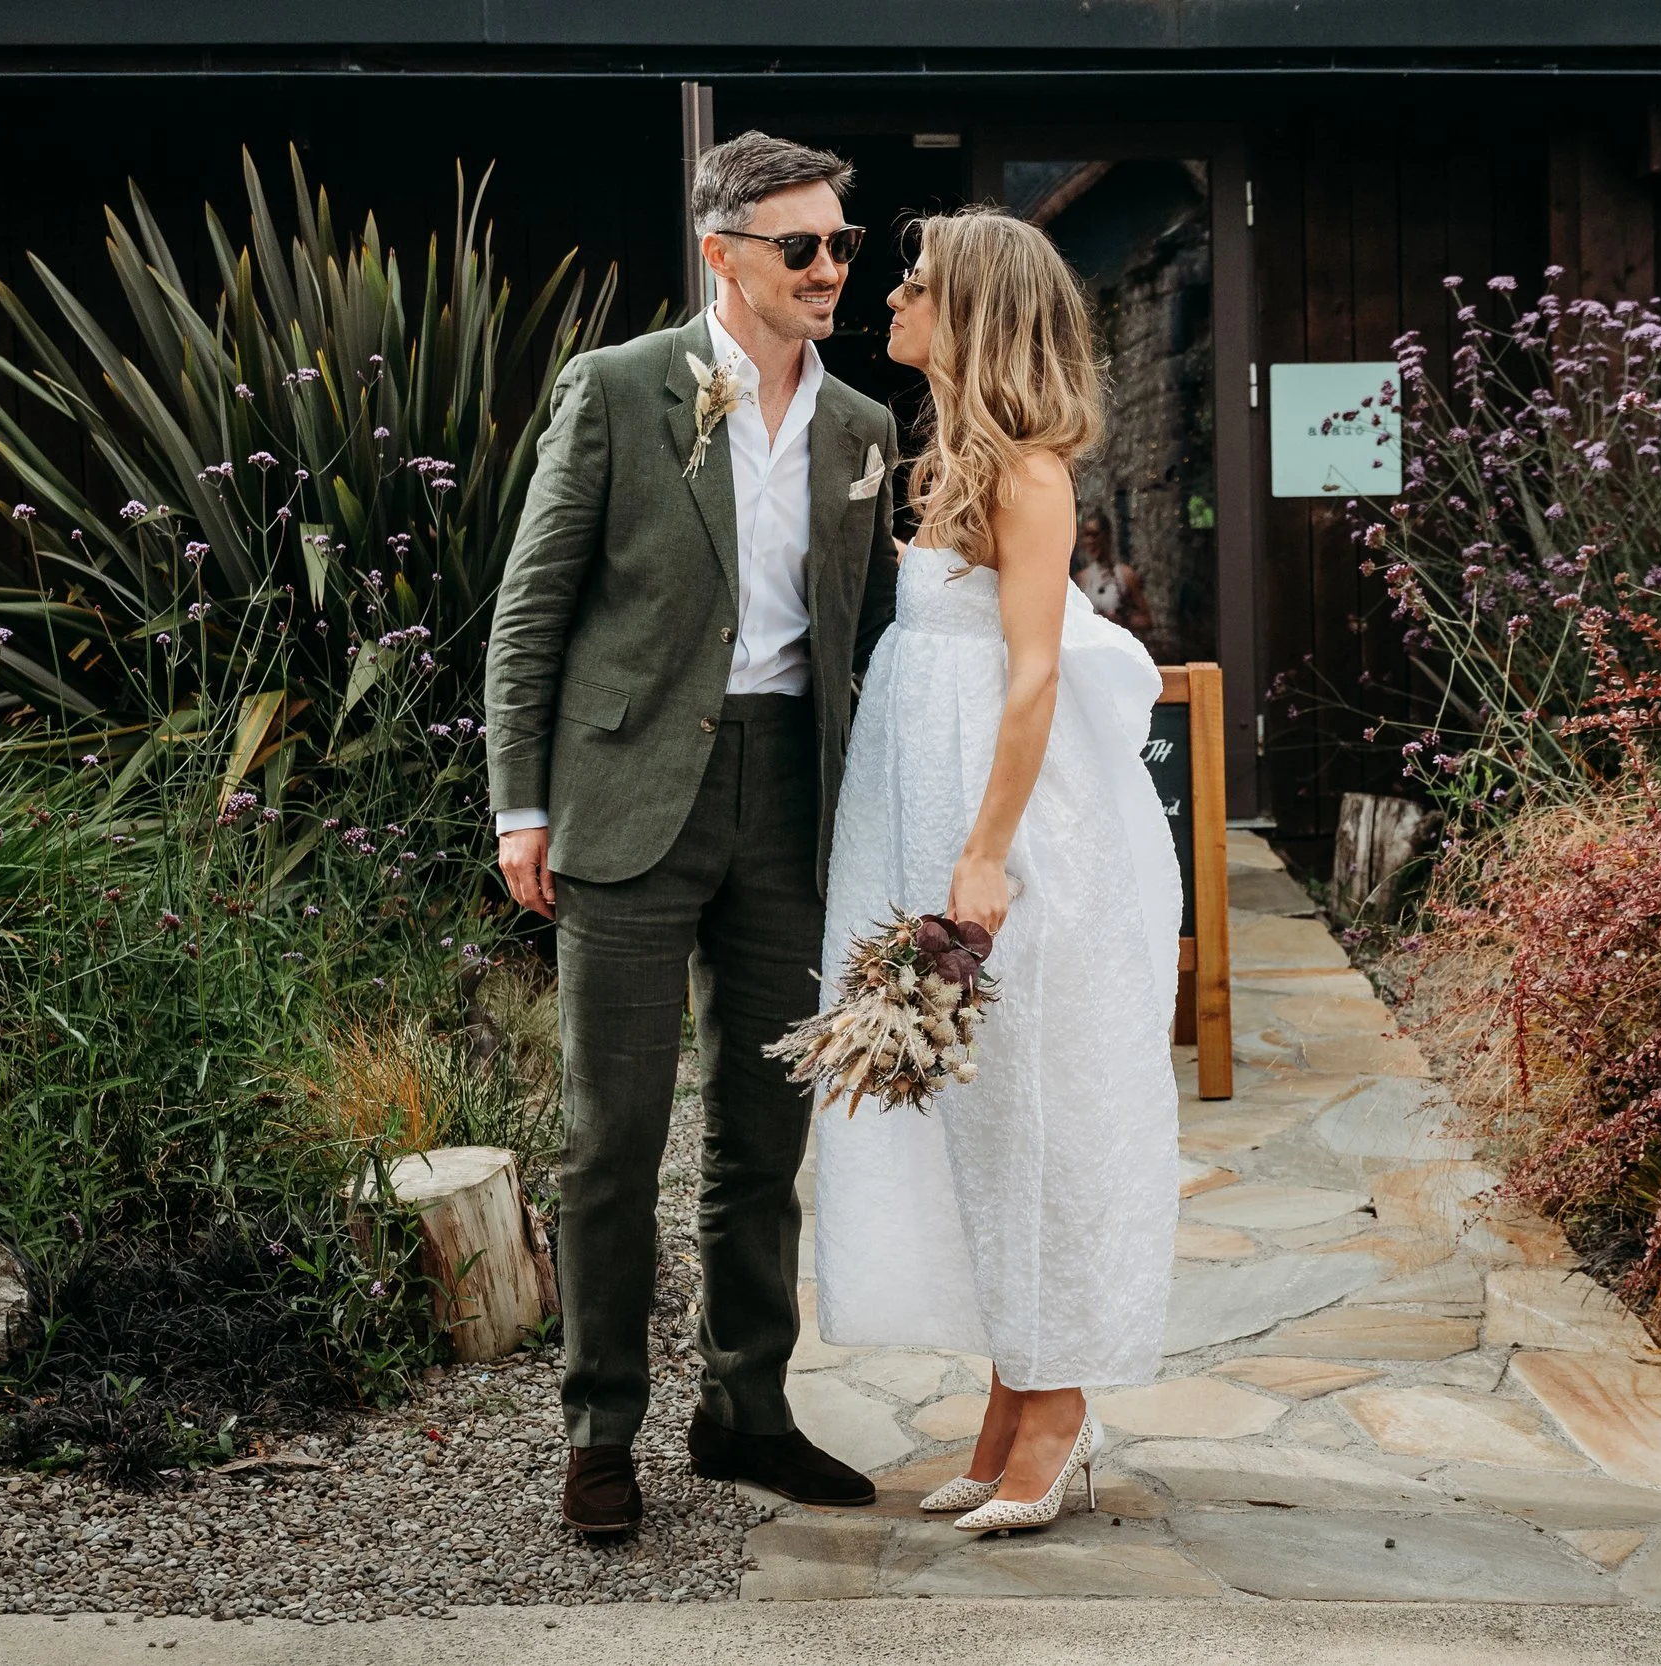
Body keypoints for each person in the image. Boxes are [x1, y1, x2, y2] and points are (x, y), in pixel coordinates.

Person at [483, 131, 901, 1536]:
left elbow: (863, 642)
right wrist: (521, 805)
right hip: (629, 797)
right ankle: (601, 1429)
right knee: (610, 1139)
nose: (832, 268)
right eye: (804, 247)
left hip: (790, 797)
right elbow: (531, 608)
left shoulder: (864, 432)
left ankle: (747, 1410)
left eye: (843, 244)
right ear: (724, 254)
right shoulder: (614, 393)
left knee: (763, 1133)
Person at [810, 208, 1184, 1534]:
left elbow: (1030, 673)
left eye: (914, 284)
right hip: (924, 814)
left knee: (1040, 1114)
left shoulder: (1029, 473)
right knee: (977, 1121)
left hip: (1011, 832)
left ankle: (1061, 1401)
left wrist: (983, 854)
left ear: (973, 313)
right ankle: (1008, 1392)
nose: (890, 299)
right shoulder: (945, 464)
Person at [1070, 506, 1156, 642]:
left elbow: (1147, 620)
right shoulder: (1081, 579)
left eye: (1095, 534)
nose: (1091, 541)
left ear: (1107, 536)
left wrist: (1123, 619)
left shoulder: (1125, 575)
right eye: (1086, 535)